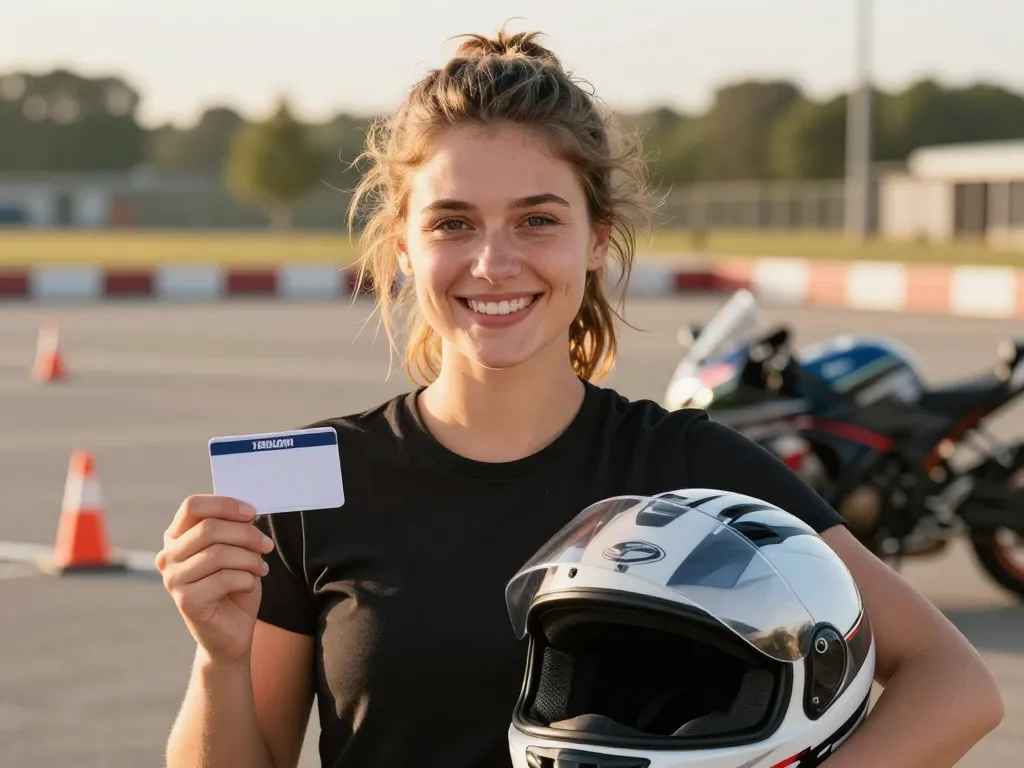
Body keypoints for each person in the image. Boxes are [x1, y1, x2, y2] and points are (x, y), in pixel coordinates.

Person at [154, 27, 1003, 768]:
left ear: (597, 239)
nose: (493, 262)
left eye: (536, 220)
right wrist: (216, 662)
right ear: (403, 247)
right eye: (452, 222)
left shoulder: (689, 464)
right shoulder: (307, 481)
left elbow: (957, 685)